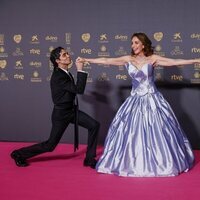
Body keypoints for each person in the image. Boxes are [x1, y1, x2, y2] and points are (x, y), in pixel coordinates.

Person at [77, 32, 200, 177]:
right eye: (132, 43)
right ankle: (131, 163)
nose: (133, 45)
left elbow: (173, 61)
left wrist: (195, 60)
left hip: (152, 100)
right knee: (130, 133)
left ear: (143, 44)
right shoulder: (128, 59)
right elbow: (106, 60)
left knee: (159, 132)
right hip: (135, 100)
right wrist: (87, 60)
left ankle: (162, 162)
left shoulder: (152, 59)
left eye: (136, 42)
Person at [11, 46, 100, 168]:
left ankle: (89, 159)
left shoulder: (65, 73)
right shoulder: (59, 76)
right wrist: (80, 70)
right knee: (50, 146)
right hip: (61, 114)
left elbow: (73, 91)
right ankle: (18, 154)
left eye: (67, 53)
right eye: (64, 55)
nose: (68, 56)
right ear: (58, 61)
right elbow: (79, 90)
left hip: (71, 111)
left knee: (94, 125)